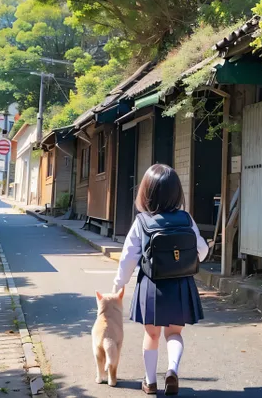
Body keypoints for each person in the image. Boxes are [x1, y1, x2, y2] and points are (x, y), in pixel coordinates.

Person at [113, 164, 209, 395]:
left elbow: (128, 257)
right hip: (180, 283)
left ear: (146, 192)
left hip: (152, 285)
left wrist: (119, 284)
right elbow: (202, 251)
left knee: (152, 334)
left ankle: (150, 382)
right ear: (177, 192)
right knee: (174, 333)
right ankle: (172, 370)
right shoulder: (186, 219)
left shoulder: (142, 222)